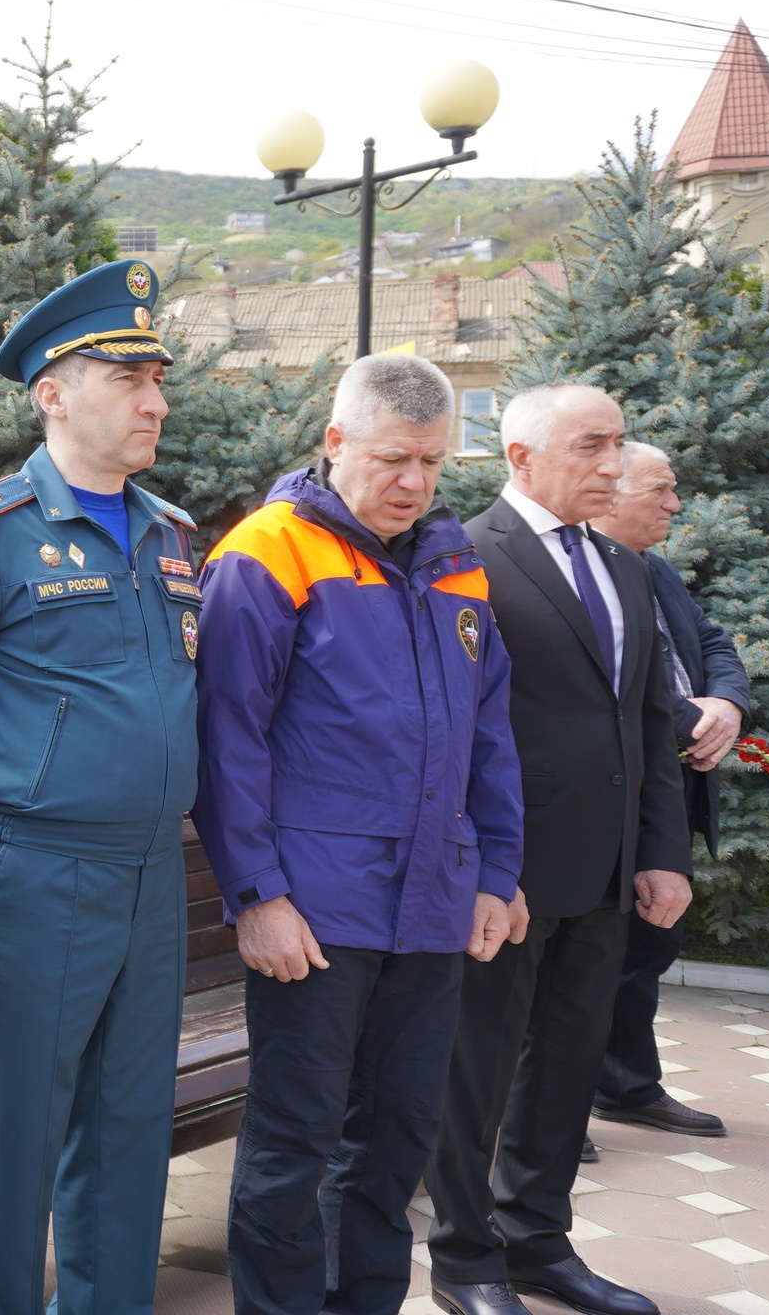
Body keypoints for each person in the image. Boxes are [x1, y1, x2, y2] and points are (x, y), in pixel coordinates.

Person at [0, 258, 200, 1315]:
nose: (154, 398)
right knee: (16, 1137)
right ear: (53, 392)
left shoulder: (169, 535)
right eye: (127, 375)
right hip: (31, 871)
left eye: (157, 377)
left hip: (151, 876)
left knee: (128, 1132)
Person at [193, 354, 527, 1315]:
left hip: (432, 908)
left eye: (430, 463)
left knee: (394, 1145)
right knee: (295, 1149)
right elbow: (228, 741)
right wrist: (258, 896)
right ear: (335, 442)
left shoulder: (456, 566)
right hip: (314, 914)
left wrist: (496, 875)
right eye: (391, 460)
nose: (413, 484)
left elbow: (488, 737)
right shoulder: (267, 555)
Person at [424, 384, 692, 1315]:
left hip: (605, 869)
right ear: (522, 456)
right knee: (479, 1066)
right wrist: (471, 866)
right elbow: (447, 730)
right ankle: (464, 1259)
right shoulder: (465, 557)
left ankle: (538, 1241)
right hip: (506, 873)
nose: (614, 467)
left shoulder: (623, 567)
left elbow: (648, 723)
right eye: (593, 446)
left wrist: (660, 851)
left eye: (618, 445)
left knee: (568, 1064)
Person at [587, 442, 748, 1143]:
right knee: (575, 961)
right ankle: (542, 1109)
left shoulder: (653, 569)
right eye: (661, 489)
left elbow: (712, 642)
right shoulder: (574, 573)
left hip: (669, 790)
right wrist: (692, 720)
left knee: (647, 948)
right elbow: (616, 679)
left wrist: (728, 706)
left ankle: (625, 1085)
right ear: (611, 492)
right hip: (604, 800)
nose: (674, 505)